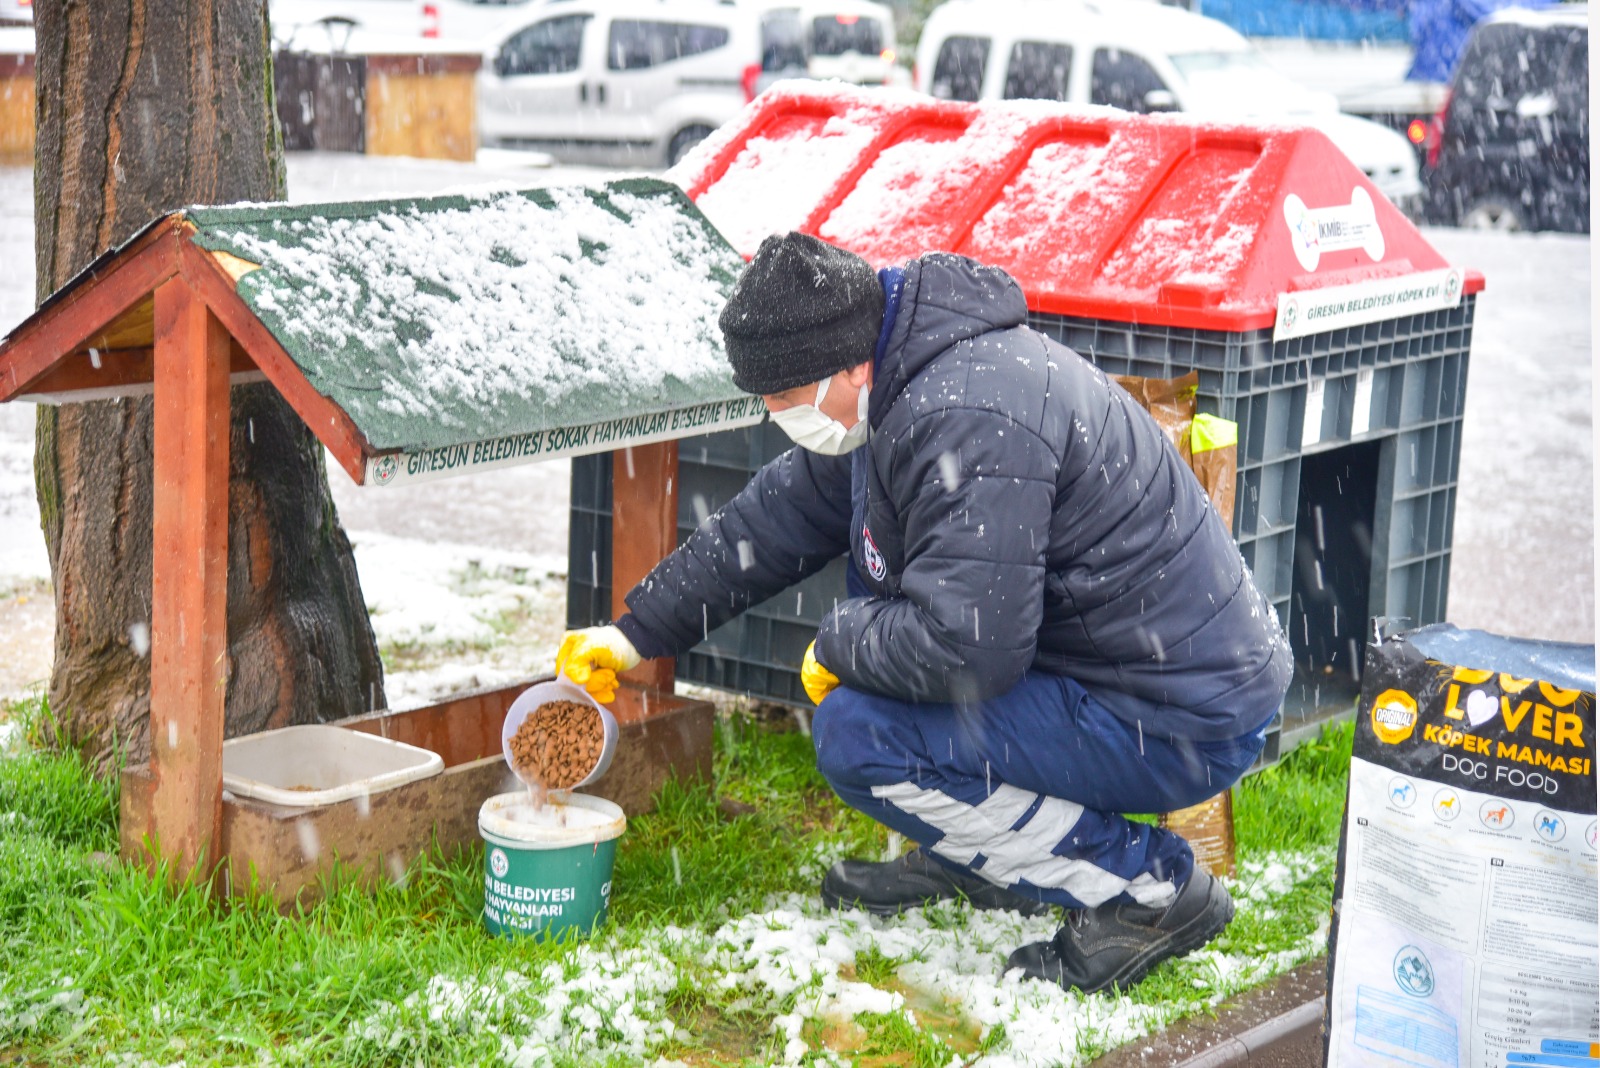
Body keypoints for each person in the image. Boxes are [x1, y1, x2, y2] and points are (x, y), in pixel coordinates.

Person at [556, 232, 1292, 994]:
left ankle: (1149, 894)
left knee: (860, 735)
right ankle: (984, 851)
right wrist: (634, 631)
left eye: (782, 399)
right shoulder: (902, 378)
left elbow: (966, 648)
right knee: (890, 678)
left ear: (847, 364)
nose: (776, 416)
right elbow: (773, 520)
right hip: (1117, 668)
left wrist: (838, 644)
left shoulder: (966, 413)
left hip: (1176, 715)